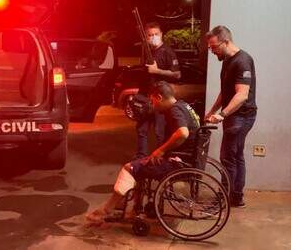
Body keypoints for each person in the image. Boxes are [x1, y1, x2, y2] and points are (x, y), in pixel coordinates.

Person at [86, 81, 200, 223]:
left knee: (129, 168)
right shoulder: (184, 105)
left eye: (153, 101)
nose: (154, 106)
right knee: (142, 162)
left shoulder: (174, 110)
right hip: (187, 160)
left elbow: (183, 133)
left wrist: (160, 150)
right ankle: (126, 200)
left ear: (159, 97)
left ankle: (105, 211)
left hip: (178, 164)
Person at [204, 26, 257, 208]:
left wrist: (222, 114)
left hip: (241, 116)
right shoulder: (227, 60)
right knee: (236, 156)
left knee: (228, 157)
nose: (212, 51)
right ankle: (235, 197)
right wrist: (212, 111)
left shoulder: (242, 61)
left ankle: (224, 198)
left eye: (214, 47)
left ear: (225, 42)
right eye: (210, 48)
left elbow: (241, 95)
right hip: (234, 115)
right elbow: (225, 91)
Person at [135, 22, 181, 159]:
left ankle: (161, 159)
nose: (153, 37)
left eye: (156, 34)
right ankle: (140, 159)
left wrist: (157, 71)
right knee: (141, 130)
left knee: (160, 132)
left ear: (161, 35)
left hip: (160, 99)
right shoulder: (146, 51)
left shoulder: (167, 52)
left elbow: (177, 74)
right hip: (145, 97)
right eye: (150, 35)